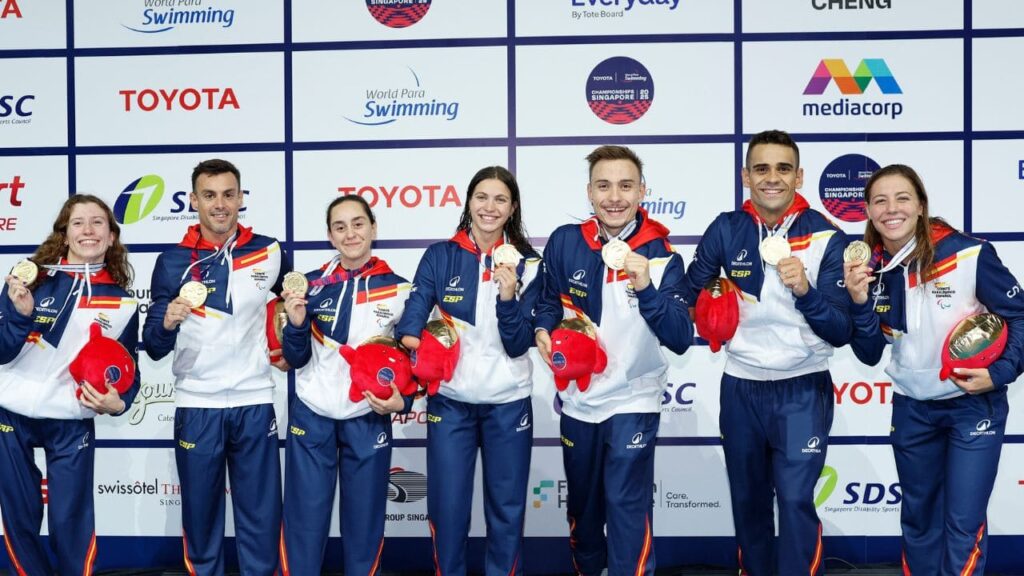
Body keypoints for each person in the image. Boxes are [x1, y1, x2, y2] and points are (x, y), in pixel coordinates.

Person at [682, 130, 850, 575]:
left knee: (795, 501)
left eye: (782, 168)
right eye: (761, 169)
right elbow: (688, 290)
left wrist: (805, 290)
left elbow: (839, 330)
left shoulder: (827, 237)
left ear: (799, 175)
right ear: (745, 176)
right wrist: (710, 298)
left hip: (802, 389)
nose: (771, 178)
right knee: (749, 501)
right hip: (741, 388)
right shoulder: (726, 228)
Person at [844, 164, 1024, 574]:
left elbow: (1020, 315)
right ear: (869, 212)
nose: (892, 209)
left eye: (902, 198)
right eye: (880, 201)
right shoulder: (870, 269)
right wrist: (858, 302)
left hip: (972, 407)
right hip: (912, 409)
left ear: (921, 206)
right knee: (919, 522)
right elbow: (870, 353)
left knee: (961, 524)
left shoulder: (967, 253)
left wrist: (998, 374)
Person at [534, 145, 692, 576]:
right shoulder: (566, 241)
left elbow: (679, 338)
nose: (615, 197)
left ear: (643, 191)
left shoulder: (662, 255)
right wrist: (542, 330)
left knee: (626, 508)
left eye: (626, 186)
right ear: (589, 192)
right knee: (585, 514)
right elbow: (546, 300)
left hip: (634, 402)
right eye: (604, 186)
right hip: (578, 402)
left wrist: (646, 287)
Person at [143, 159, 289, 575]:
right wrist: (168, 322)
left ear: (241, 198)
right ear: (193, 200)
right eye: (209, 195)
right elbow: (153, 346)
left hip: (255, 402)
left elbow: (300, 309)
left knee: (261, 524)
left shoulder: (270, 250)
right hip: (197, 406)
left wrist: (288, 339)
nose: (220, 205)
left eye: (229, 194)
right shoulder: (172, 261)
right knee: (201, 524)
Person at [396, 166, 542, 576]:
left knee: (507, 511)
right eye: (482, 197)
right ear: (468, 202)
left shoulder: (531, 264)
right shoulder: (441, 255)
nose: (489, 207)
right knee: (448, 510)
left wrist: (508, 295)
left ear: (513, 208)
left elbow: (517, 344)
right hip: (451, 404)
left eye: (500, 199)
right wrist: (420, 348)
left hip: (508, 404)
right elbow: (411, 320)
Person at [0, 194, 140, 574]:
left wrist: (119, 402)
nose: (88, 230)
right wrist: (20, 316)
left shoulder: (123, 301)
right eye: (78, 222)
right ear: (64, 234)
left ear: (112, 236)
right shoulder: (29, 278)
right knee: (18, 517)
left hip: (71, 418)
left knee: (70, 522)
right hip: (11, 414)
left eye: (98, 222)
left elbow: (130, 372)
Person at [278, 194, 412, 575]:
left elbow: (411, 363)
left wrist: (402, 402)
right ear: (330, 236)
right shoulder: (308, 286)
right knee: (303, 525)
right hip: (312, 414)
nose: (350, 233)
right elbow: (296, 358)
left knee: (365, 525)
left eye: (358, 223)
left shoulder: (401, 290)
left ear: (373, 228)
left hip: (367, 415)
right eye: (340, 226)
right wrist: (298, 324)